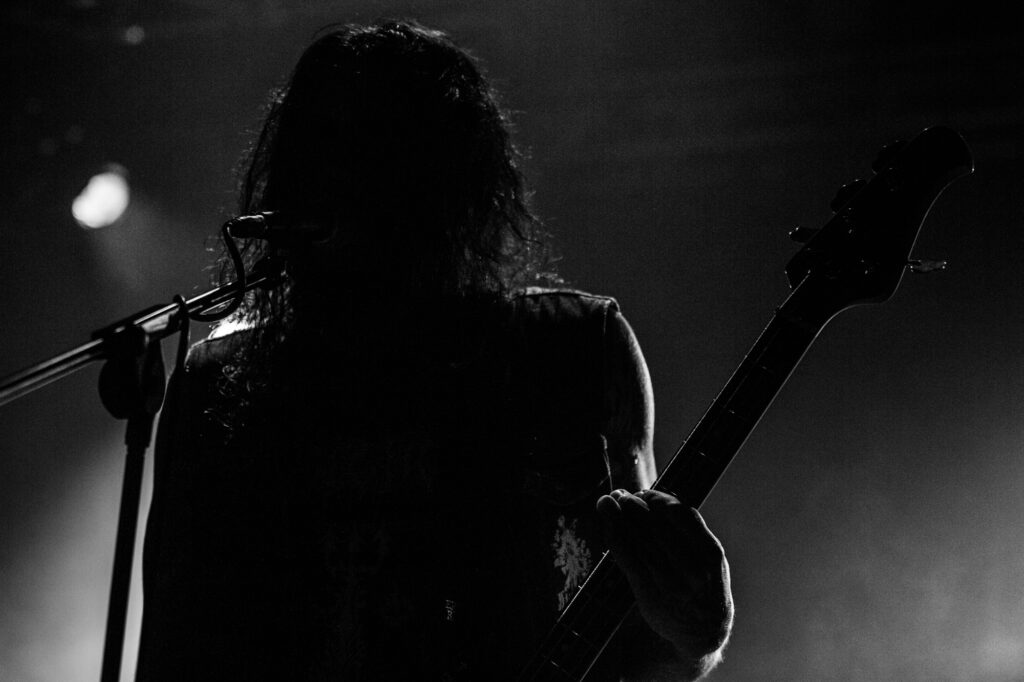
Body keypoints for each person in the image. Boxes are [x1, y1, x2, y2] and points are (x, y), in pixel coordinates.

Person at [136, 20, 733, 681]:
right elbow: (175, 649)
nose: (342, 180)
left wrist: (697, 636)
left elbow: (642, 637)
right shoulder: (217, 382)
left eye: (372, 153)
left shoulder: (571, 347)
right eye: (324, 149)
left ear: (438, 182)